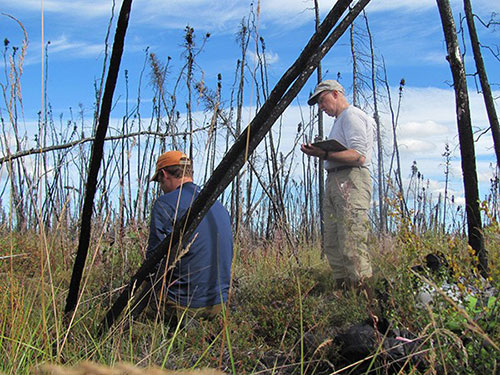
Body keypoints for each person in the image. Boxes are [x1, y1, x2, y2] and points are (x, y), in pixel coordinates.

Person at [301, 80, 374, 292]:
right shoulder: (340, 121)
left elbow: (359, 156)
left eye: (322, 101)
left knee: (352, 240)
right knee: (333, 241)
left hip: (351, 179)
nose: (320, 107)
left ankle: (364, 297)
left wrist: (323, 153)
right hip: (334, 179)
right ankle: (344, 291)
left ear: (335, 94)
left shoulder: (352, 115)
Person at [145, 150, 233, 326]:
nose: (160, 187)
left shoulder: (166, 204)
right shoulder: (217, 204)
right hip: (221, 305)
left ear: (164, 175)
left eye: (159, 182)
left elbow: (153, 263)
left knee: (142, 309)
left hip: (185, 307)